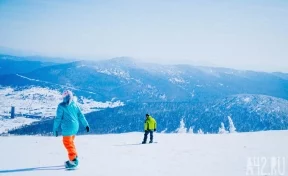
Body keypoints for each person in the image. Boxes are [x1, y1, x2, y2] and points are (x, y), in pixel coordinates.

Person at [53, 90, 90, 169]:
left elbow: (58, 119)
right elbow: (80, 115)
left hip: (67, 128)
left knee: (67, 143)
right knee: (71, 142)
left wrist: (55, 129)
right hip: (75, 127)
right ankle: (75, 155)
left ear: (63, 97)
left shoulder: (61, 106)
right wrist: (86, 124)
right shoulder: (75, 104)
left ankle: (73, 160)